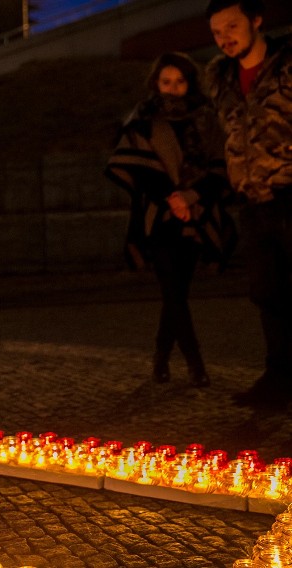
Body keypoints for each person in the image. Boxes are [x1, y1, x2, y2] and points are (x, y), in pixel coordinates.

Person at [106, 52, 234, 388]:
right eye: (166, 82)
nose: (173, 88)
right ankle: (196, 363)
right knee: (173, 292)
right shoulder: (143, 119)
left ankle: (161, 357)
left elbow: (220, 165)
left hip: (196, 213)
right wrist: (171, 197)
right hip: (159, 217)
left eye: (180, 82)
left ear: (189, 83)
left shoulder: (206, 119)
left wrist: (190, 197)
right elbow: (138, 168)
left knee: (176, 292)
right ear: (155, 83)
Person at [204, 0, 292, 407]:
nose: (225, 38)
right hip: (253, 203)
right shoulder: (219, 77)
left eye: (232, 26)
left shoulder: (287, 65)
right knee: (267, 294)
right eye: (217, 31)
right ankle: (278, 378)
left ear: (257, 21)